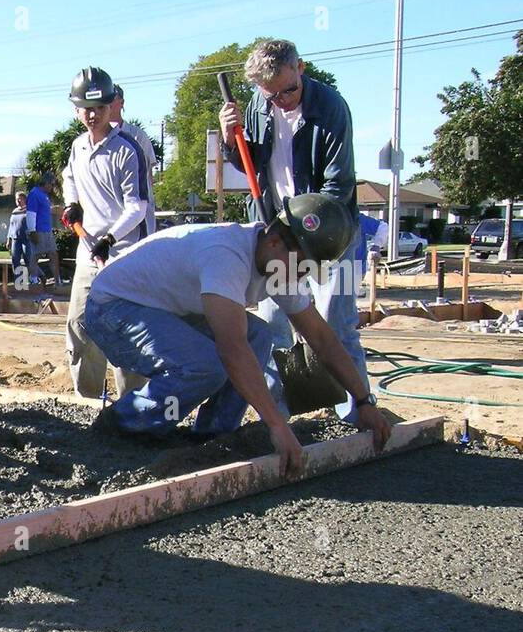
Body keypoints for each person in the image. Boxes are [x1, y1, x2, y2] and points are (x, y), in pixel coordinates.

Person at [80, 193, 391, 476]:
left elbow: (320, 336)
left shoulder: (281, 262)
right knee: (205, 365)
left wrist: (364, 400)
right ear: (273, 241)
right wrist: (276, 424)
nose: (302, 276)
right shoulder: (226, 256)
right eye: (302, 267)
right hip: (111, 310)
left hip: (162, 309)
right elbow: (232, 350)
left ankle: (212, 436)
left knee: (259, 334)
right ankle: (124, 422)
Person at [219, 38, 368, 423]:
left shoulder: (330, 106)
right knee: (272, 328)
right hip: (277, 235)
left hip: (329, 235)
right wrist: (228, 138)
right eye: (270, 95)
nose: (280, 100)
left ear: (300, 68)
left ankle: (356, 416)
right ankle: (280, 418)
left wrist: (310, 237)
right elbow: (250, 162)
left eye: (287, 90)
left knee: (336, 324)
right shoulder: (259, 105)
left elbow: (338, 186)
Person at [61, 65, 148, 401]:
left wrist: (109, 238)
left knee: (126, 330)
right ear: (76, 110)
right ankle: (86, 404)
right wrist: (72, 204)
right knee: (81, 327)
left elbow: (137, 207)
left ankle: (134, 405)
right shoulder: (78, 147)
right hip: (88, 254)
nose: (93, 115)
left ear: (111, 106)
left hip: (124, 254)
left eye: (99, 108)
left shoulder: (127, 150)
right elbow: (70, 178)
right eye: (87, 109)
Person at [109, 85, 157, 237]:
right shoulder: (91, 140)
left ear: (122, 103)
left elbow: (148, 175)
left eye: (112, 98)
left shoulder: (138, 136)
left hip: (138, 211)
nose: (107, 103)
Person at [26, 172, 61, 287]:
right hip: (38, 230)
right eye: (51, 184)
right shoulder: (34, 194)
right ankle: (34, 280)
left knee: (53, 254)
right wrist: (32, 230)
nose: (52, 187)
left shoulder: (44, 195)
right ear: (45, 182)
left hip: (47, 230)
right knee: (36, 255)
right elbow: (31, 213)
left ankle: (57, 281)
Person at [7, 191, 36, 284]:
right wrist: (9, 239)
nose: (18, 201)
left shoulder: (28, 210)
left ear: (24, 199)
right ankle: (19, 281)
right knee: (15, 260)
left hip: (26, 239)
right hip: (16, 239)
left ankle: (33, 278)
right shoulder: (14, 211)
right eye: (17, 199)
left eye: (20, 199)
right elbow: (11, 226)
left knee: (28, 259)